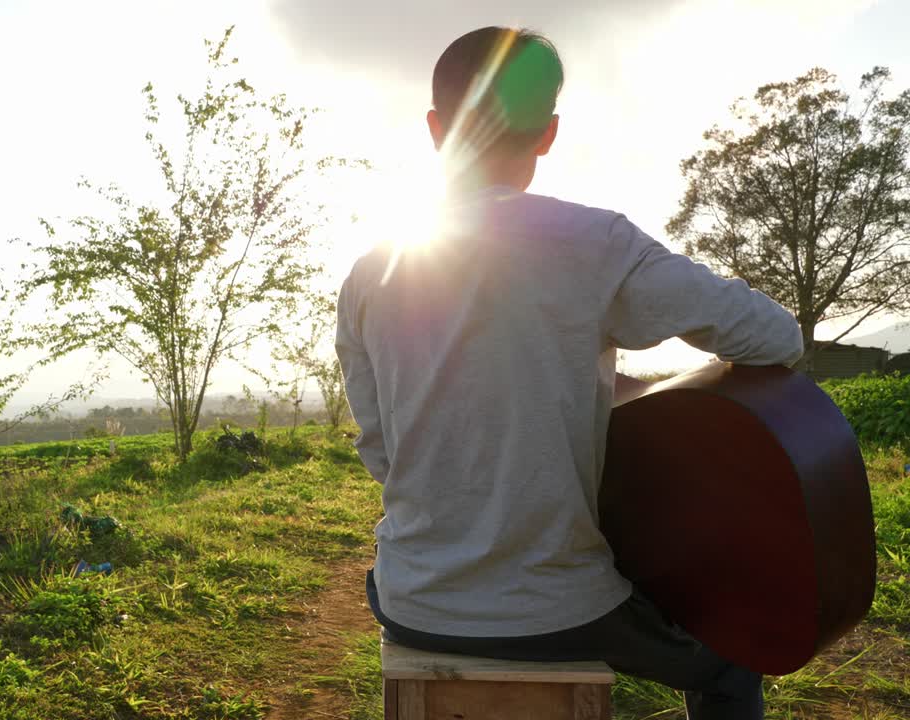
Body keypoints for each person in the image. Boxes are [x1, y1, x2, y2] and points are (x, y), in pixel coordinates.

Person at [334, 26, 804, 720]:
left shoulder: (370, 273)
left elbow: (381, 453)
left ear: (435, 130)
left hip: (413, 601)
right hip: (561, 607)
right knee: (732, 669)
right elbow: (776, 338)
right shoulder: (597, 244)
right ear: (548, 133)